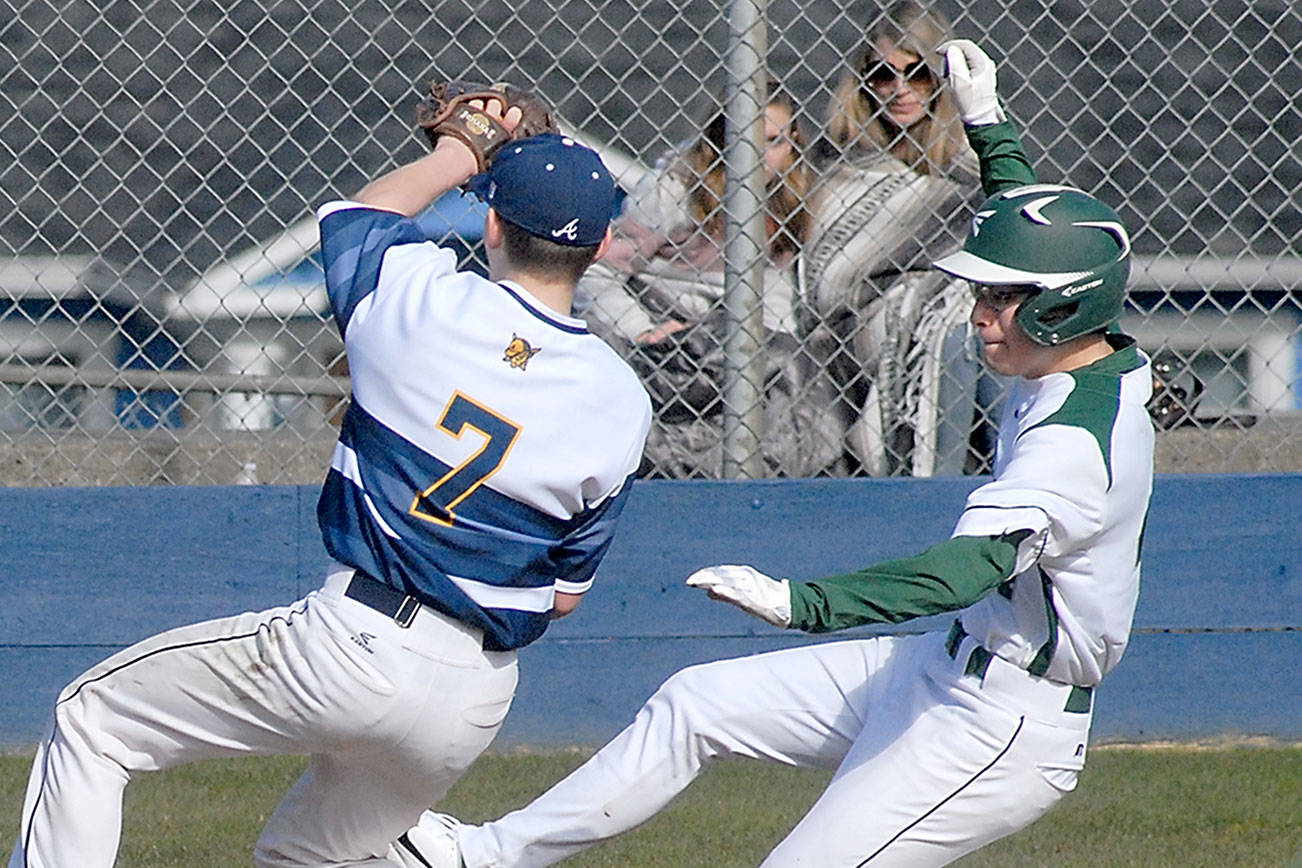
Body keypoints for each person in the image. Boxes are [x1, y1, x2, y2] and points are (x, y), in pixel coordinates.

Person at [389, 42, 1153, 868]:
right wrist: (988, 125)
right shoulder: (1092, 351)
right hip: (947, 667)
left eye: (1002, 299)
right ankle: (492, 855)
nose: (980, 311)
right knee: (695, 703)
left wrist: (802, 604)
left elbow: (964, 571)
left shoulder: (1078, 446)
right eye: (984, 290)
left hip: (999, 728)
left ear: (1061, 310)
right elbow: (1034, 235)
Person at [9, 93, 651, 867]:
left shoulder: (422, 299)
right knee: (305, 856)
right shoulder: (621, 398)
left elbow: (359, 211)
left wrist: (463, 151)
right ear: (603, 242)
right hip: (475, 697)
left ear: (490, 224)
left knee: (93, 721)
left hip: (354, 642)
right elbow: (565, 595)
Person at [575, 85, 842, 478]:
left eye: (773, 142)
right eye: (743, 141)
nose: (758, 157)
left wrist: (777, 340)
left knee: (802, 379)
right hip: (666, 336)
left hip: (737, 340)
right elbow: (596, 272)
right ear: (718, 142)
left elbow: (776, 291)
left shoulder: (790, 201)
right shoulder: (676, 192)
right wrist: (643, 329)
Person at [801, 0, 992, 477]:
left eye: (918, 73)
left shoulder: (971, 162)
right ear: (864, 80)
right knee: (949, 337)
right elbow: (832, 282)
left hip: (954, 311)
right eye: (883, 74)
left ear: (942, 78)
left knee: (972, 330)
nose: (901, 90)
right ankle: (932, 486)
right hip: (854, 331)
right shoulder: (840, 161)